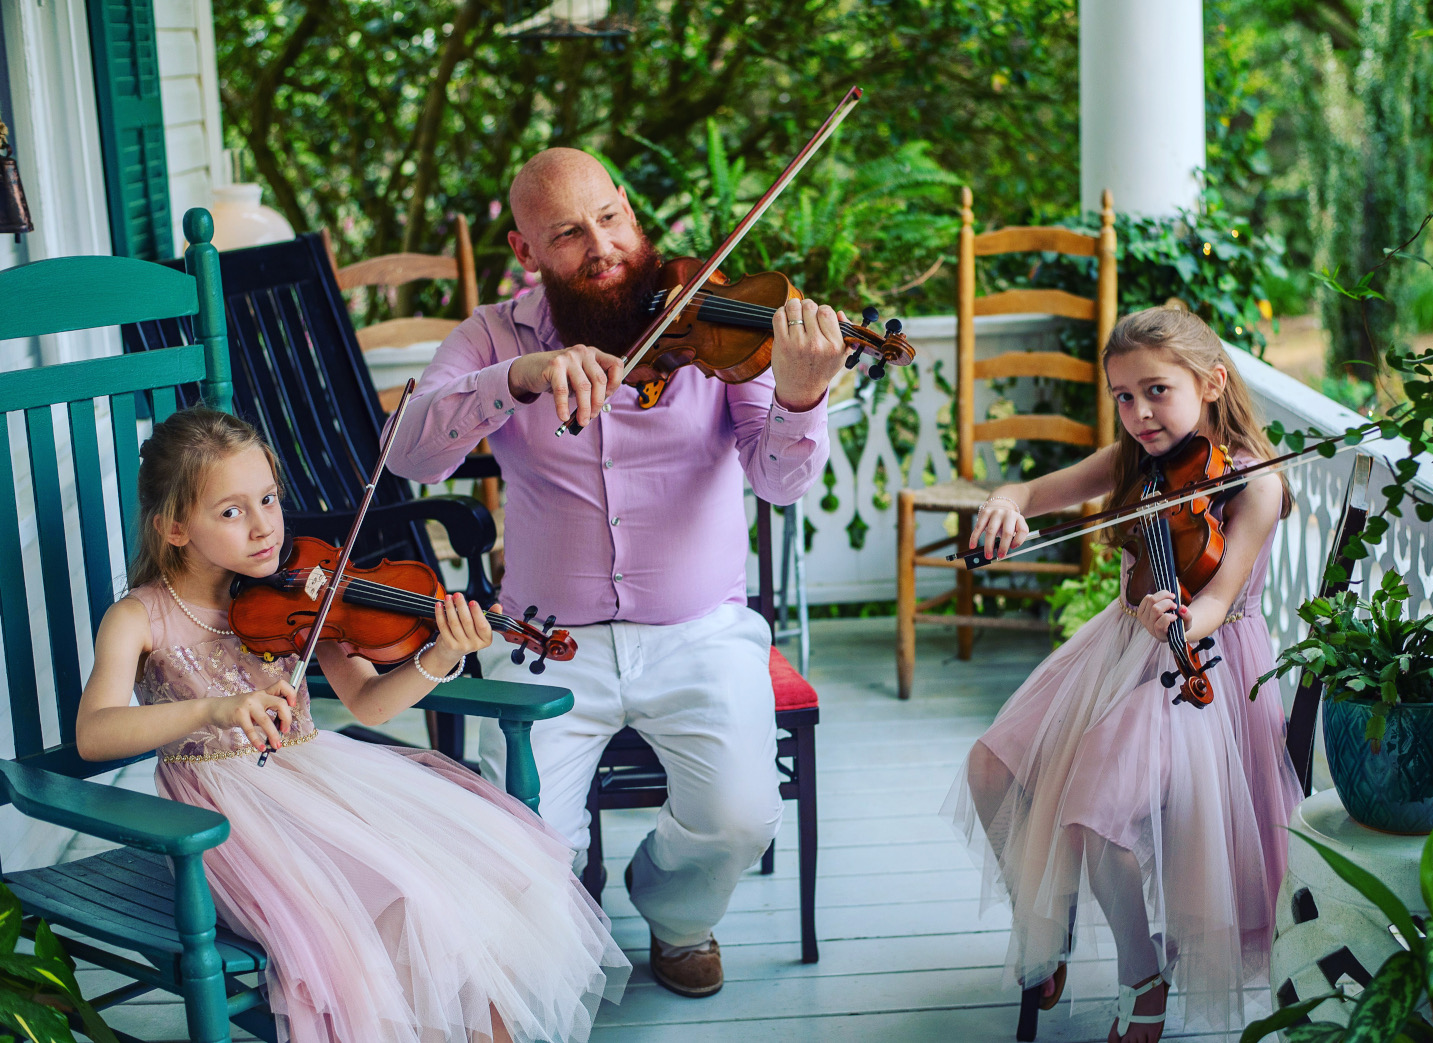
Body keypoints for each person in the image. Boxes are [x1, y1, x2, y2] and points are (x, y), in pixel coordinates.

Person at [383, 148, 848, 998]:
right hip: (544, 640)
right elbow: (409, 449)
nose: (599, 246)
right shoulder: (495, 335)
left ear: (631, 212)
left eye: (608, 217)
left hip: (701, 631)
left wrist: (802, 397)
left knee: (742, 812)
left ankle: (674, 915)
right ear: (526, 253)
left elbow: (780, 480)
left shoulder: (717, 323)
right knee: (522, 848)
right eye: (566, 234)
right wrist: (515, 379)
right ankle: (567, 918)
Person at [75, 407, 629, 1043]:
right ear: (174, 526)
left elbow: (369, 704)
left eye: (269, 500)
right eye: (231, 512)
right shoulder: (139, 617)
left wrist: (442, 654)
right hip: (224, 816)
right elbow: (96, 733)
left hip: (322, 777)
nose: (264, 528)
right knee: (407, 902)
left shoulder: (302, 593)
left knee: (480, 877)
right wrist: (213, 709)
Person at [946, 307, 1303, 1041]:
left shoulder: (1254, 484)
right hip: (1116, 649)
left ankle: (1143, 978)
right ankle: (1046, 924)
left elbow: (1218, 597)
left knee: (1097, 808)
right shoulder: (1134, 464)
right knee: (990, 768)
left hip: (1203, 668)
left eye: (1156, 391)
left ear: (1211, 382)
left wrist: (1176, 621)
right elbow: (1029, 493)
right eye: (1123, 396)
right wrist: (1004, 504)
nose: (1138, 413)